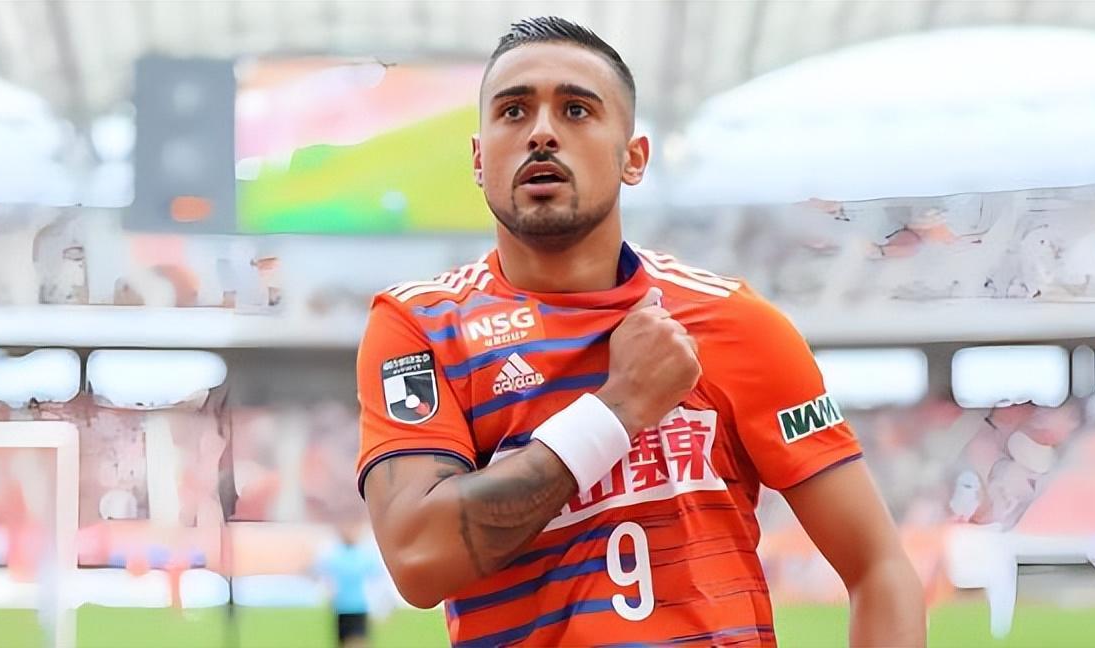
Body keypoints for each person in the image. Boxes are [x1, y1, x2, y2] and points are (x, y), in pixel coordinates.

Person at [356, 16, 925, 646]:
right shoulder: (420, 325)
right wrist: (618, 408)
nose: (541, 132)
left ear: (633, 158)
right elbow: (418, 559)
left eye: (576, 110)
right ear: (478, 159)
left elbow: (879, 569)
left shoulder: (736, 322)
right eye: (513, 111)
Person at [317, 522, 383, 648]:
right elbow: (376, 574)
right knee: (358, 639)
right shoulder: (362, 556)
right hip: (356, 605)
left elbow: (323, 574)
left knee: (347, 639)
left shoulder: (336, 556)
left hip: (344, 605)